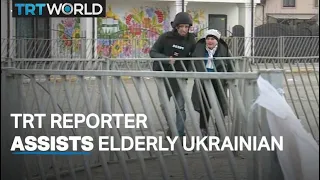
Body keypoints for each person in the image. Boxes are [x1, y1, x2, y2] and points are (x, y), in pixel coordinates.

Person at [149, 12, 196, 138]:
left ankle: (179, 134)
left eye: (187, 27)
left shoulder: (191, 39)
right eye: (181, 26)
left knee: (180, 107)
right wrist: (166, 59)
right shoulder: (165, 37)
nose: (184, 29)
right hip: (163, 76)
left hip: (180, 77)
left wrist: (191, 68)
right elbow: (152, 52)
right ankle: (172, 128)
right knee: (164, 105)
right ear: (176, 26)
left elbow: (195, 56)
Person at [191, 29, 234, 139]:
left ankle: (219, 132)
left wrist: (230, 79)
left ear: (217, 40)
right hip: (203, 80)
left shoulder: (224, 50)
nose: (210, 41)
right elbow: (192, 62)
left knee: (219, 107)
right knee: (204, 107)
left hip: (218, 81)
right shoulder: (199, 49)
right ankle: (203, 132)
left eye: (213, 39)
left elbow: (231, 65)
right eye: (208, 39)